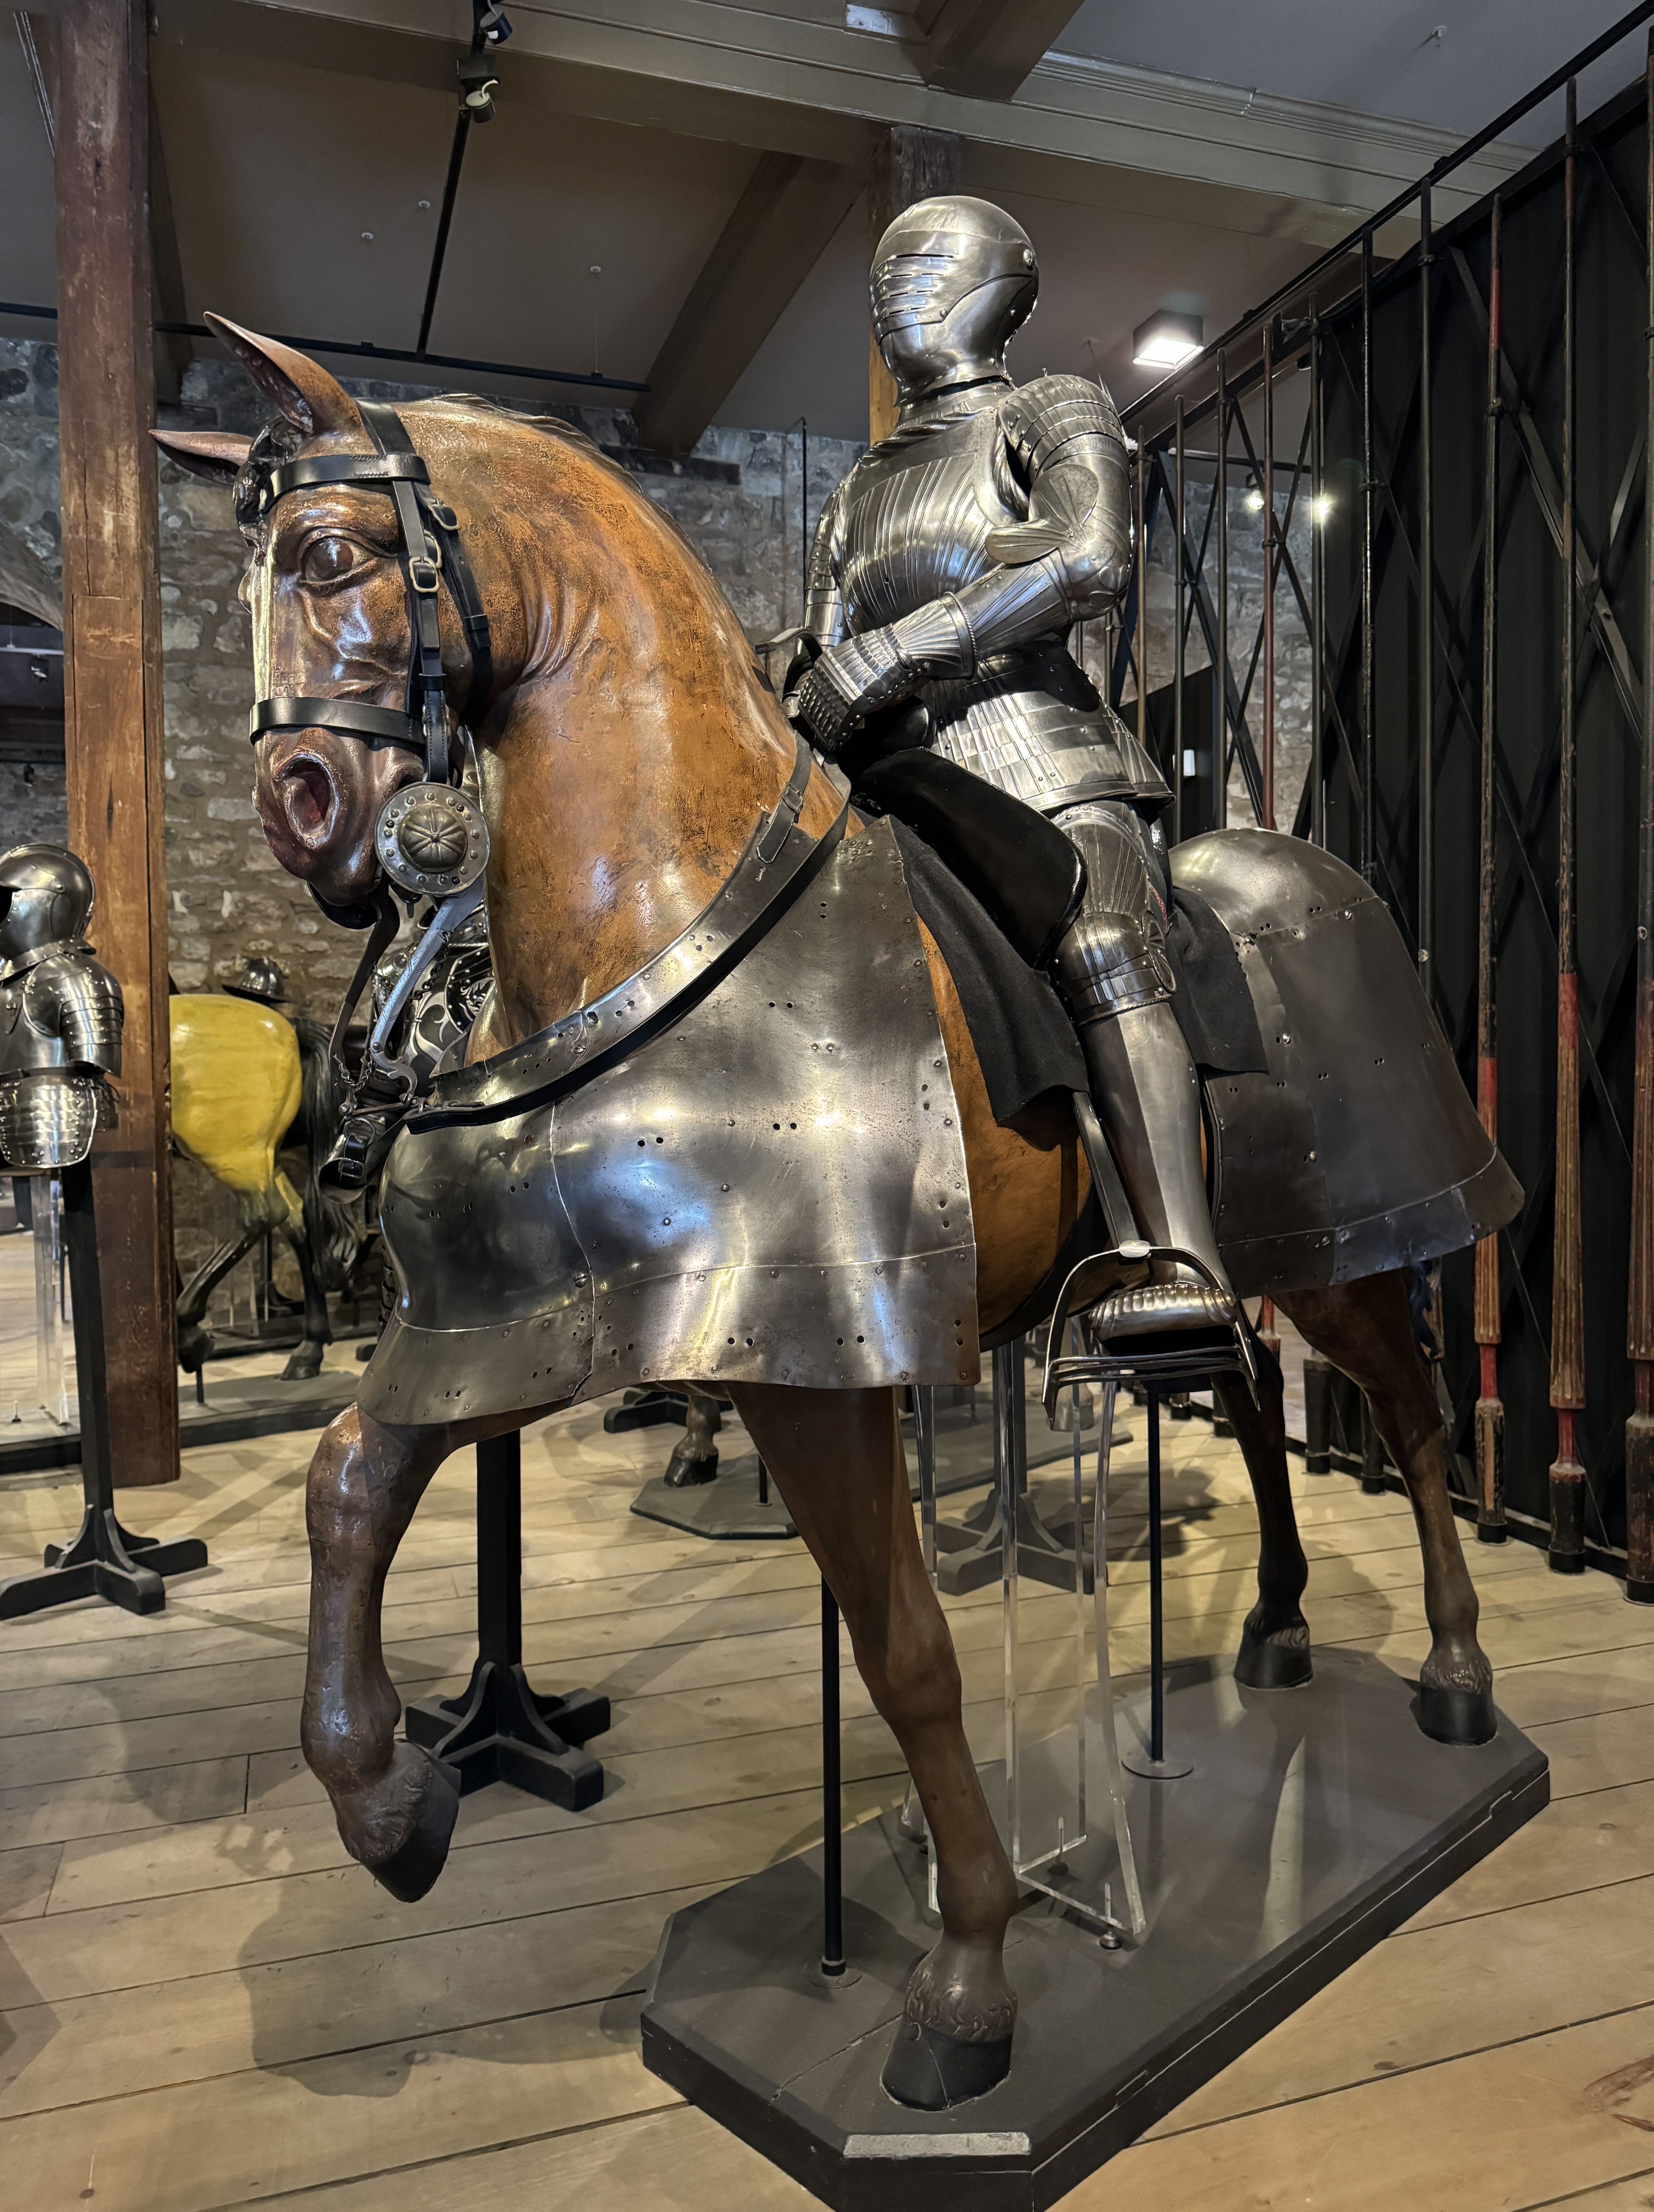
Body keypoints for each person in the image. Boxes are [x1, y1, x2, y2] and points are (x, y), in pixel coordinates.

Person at [788, 194, 1236, 1342]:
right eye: (886, 278)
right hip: (905, 792)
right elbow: (824, 645)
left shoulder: (1050, 410)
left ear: (995, 288)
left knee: (1103, 945)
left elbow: (1089, 559)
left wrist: (901, 648)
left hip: (1048, 771)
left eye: (922, 270)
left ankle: (1185, 1262)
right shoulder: (857, 489)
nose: (898, 296)